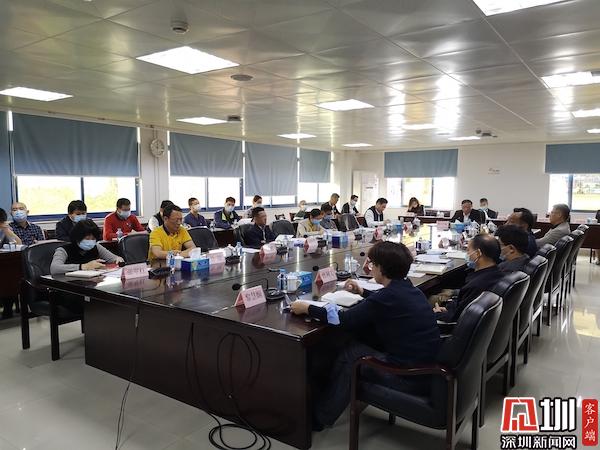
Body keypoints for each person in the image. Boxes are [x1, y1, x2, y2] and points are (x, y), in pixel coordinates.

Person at [291, 241, 440, 429]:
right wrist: (362, 291)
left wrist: (307, 308)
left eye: (373, 264)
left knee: (350, 354)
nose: (370, 268)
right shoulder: (410, 289)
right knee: (357, 341)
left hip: (408, 377)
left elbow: (342, 320)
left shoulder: (387, 297)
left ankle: (321, 417)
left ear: (381, 268)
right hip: (425, 368)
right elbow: (383, 302)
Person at [433, 234, 503, 322]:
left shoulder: (476, 285)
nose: (467, 254)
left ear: (478, 253)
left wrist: (438, 314)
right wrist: (449, 309)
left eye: (468, 250)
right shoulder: (497, 274)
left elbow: (456, 319)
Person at [50, 219, 122, 275]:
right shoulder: (63, 250)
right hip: (69, 284)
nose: (90, 241)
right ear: (77, 237)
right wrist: (83, 266)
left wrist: (118, 259)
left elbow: (113, 258)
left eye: (93, 239)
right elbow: (54, 268)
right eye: (87, 238)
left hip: (92, 283)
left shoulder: (96, 247)